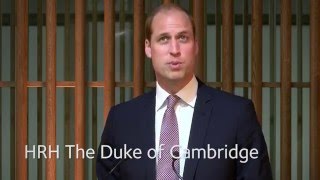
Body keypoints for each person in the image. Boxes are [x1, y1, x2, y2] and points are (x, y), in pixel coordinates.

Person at [96, 3, 272, 180]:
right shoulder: (121, 120)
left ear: (195, 45)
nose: (174, 50)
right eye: (164, 39)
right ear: (148, 47)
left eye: (183, 38)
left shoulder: (236, 115)